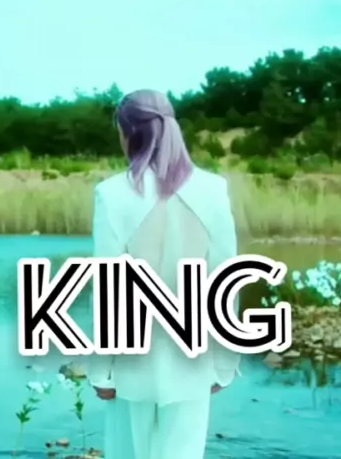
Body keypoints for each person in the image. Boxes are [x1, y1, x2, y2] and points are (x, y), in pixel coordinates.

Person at [87, 89, 241, 459]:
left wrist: (100, 372)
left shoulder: (112, 194)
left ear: (128, 132)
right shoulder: (213, 189)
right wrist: (225, 365)